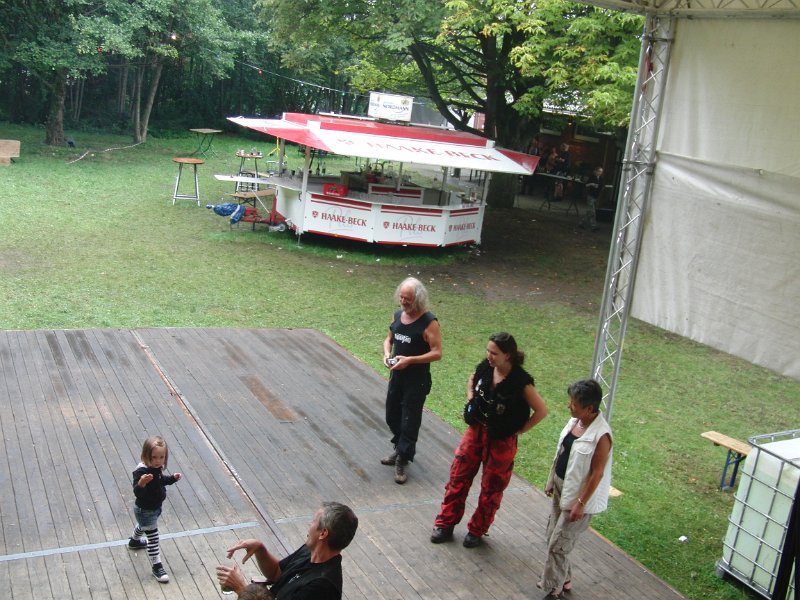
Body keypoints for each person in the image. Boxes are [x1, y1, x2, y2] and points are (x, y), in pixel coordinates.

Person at [430, 333, 548, 548]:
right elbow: (472, 380)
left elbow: (541, 410)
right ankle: (445, 524)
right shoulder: (485, 368)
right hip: (476, 431)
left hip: (501, 440)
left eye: (494, 353)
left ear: (508, 355)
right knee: (458, 476)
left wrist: (520, 429)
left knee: (492, 487)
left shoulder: (521, 382)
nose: (489, 356)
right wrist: (471, 400)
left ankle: (477, 530)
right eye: (488, 351)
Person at [538, 379, 614, 598]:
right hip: (561, 488)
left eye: (574, 403)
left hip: (578, 498)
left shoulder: (601, 436)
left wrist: (580, 504)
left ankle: (552, 588)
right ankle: (565, 578)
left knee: (558, 545)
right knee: (552, 536)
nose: (569, 406)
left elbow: (597, 473)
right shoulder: (575, 422)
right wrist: (551, 481)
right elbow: (563, 453)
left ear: (589, 408)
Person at [216, 502, 359, 600]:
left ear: (323, 533)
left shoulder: (322, 586)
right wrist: (260, 549)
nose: (309, 524)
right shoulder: (310, 551)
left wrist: (241, 589)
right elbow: (276, 573)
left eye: (314, 521)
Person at [381, 277, 443, 484]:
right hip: (397, 376)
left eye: (407, 298)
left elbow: (437, 353)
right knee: (392, 415)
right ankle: (401, 448)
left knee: (410, 420)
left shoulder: (429, 322)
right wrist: (386, 354)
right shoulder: (398, 315)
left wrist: (410, 360)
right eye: (401, 297)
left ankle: (403, 458)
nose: (403, 301)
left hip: (416, 380)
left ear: (418, 298)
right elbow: (389, 339)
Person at [127, 435, 182, 583]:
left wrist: (172, 478)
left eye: (161, 457)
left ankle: (134, 541)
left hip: (155, 509)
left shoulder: (156, 469)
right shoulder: (141, 472)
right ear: (146, 455)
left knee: (144, 526)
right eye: (154, 457)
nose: (158, 461)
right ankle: (157, 567)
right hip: (145, 510)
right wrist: (141, 483)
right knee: (153, 538)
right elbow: (137, 493)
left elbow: (160, 480)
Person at [581, 166, 604, 232]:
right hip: (590, 195)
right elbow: (586, 185)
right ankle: (594, 226)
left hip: (596, 196)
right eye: (599, 171)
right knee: (592, 212)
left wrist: (601, 187)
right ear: (596, 171)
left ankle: (582, 223)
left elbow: (601, 186)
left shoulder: (601, 179)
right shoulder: (592, 177)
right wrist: (592, 184)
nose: (600, 173)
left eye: (601, 172)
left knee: (589, 212)